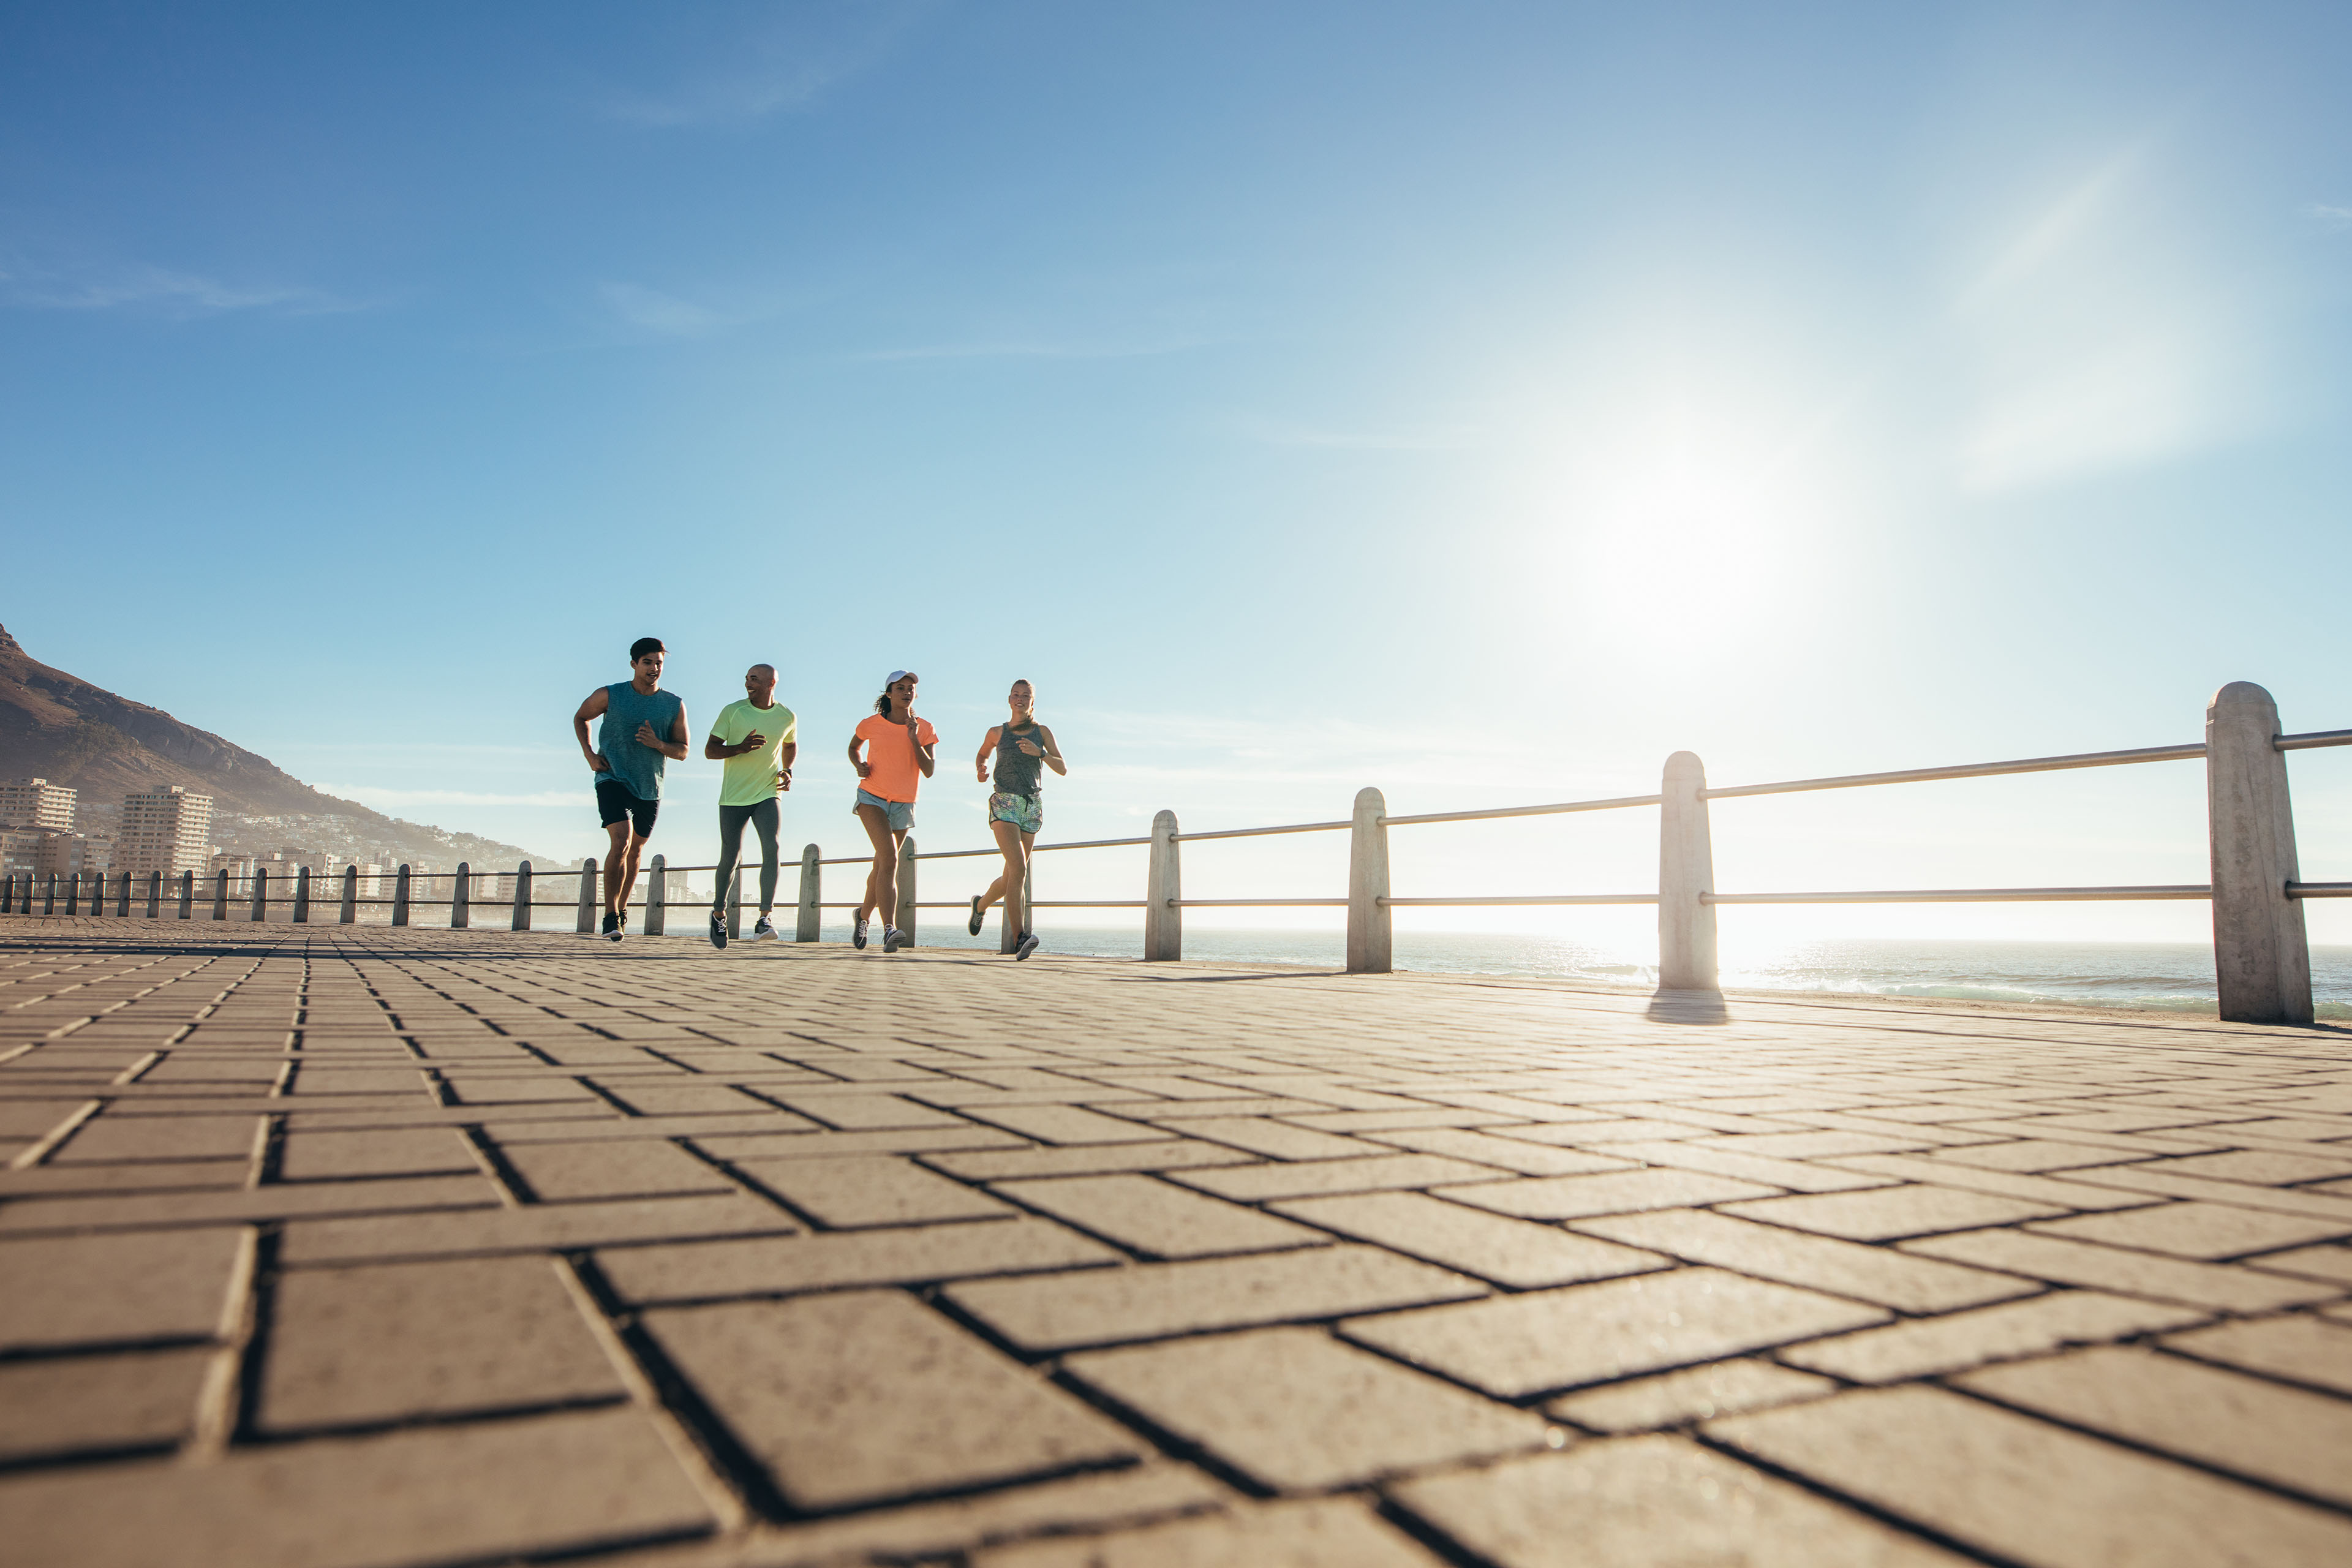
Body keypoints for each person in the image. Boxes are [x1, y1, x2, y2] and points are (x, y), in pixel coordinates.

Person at [572, 637, 688, 942]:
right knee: (621, 841)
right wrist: (589, 754)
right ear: (634, 663)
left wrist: (658, 744)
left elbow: (683, 751)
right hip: (612, 777)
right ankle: (610, 914)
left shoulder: (673, 704)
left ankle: (621, 910)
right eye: (648, 662)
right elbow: (581, 717)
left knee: (636, 849)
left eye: (659, 663)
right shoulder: (611, 695)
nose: (654, 669)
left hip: (649, 785)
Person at [968, 679, 1065, 961]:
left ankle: (980, 905)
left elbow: (1063, 769)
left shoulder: (1042, 732)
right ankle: (1020, 937)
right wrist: (981, 768)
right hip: (1004, 802)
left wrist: (1041, 754)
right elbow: (982, 754)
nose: (1020, 699)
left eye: (1026, 695)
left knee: (1012, 874)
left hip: (1031, 805)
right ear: (1009, 700)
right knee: (1019, 868)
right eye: (1016, 695)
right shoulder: (997, 732)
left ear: (1032, 702)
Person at [703, 663, 797, 949]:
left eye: (754, 679)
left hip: (767, 792)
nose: (748, 684)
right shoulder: (733, 711)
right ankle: (719, 913)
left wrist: (788, 769)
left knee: (773, 846)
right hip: (733, 796)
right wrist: (739, 748)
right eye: (747, 679)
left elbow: (790, 744)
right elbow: (710, 750)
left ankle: (764, 918)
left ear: (772, 683)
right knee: (731, 857)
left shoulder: (786, 716)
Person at [846, 669, 935, 953]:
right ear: (888, 693)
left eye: (910, 688)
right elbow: (853, 747)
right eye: (900, 688)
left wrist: (913, 738)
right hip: (871, 796)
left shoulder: (924, 728)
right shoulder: (871, 724)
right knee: (889, 859)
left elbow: (929, 770)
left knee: (881, 866)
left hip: (904, 802)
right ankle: (889, 929)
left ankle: (862, 916)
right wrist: (858, 764)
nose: (907, 692)